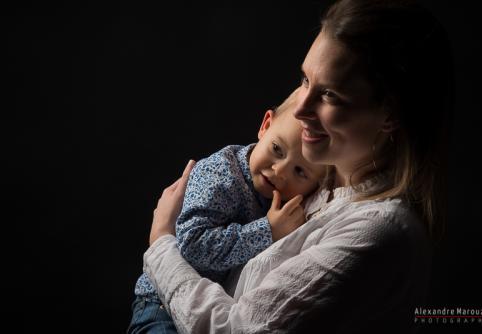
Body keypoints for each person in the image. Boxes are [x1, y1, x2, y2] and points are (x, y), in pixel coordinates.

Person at [142, 0, 454, 332]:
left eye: (330, 95)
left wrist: (162, 241)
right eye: (305, 80)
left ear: (390, 115)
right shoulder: (316, 184)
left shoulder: (378, 232)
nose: (301, 108)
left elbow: (232, 329)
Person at [128, 90, 326, 333]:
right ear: (265, 125)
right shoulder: (222, 174)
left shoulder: (281, 199)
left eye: (300, 171)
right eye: (277, 149)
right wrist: (268, 230)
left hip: (205, 309)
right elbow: (193, 245)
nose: (280, 170)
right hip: (161, 306)